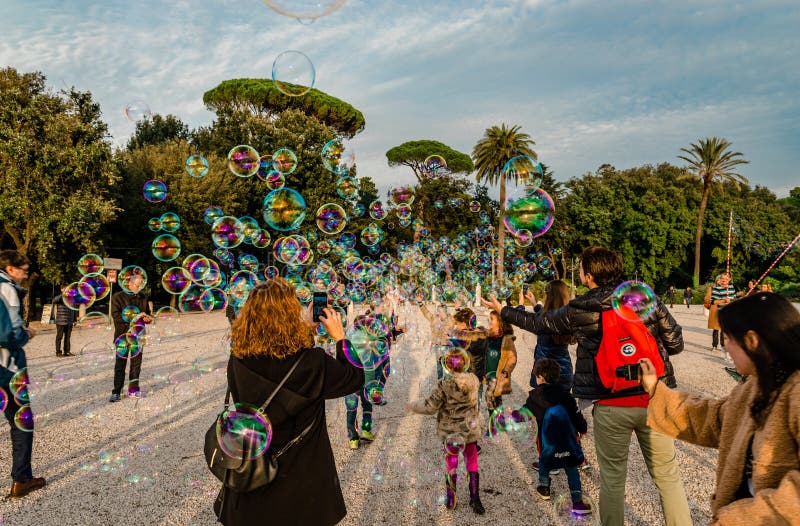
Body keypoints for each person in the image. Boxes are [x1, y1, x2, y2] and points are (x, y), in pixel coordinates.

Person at [483, 245, 691, 526]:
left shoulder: (581, 307)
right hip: (654, 397)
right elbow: (676, 344)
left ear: (589, 276)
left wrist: (504, 311)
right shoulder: (642, 297)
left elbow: (541, 323)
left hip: (609, 402)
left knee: (614, 478)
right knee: (667, 476)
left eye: (581, 269)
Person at [639, 292, 800, 524]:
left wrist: (742, 516)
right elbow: (712, 419)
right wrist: (655, 389)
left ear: (752, 340)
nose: (725, 347)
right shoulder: (754, 386)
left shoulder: (795, 391)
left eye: (727, 338)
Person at [216, 278, 364, 526]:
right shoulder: (313, 362)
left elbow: (276, 362)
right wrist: (340, 338)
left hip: (252, 476)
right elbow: (354, 377)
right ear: (290, 315)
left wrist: (306, 329)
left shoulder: (238, 358)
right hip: (302, 488)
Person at [406, 357, 485, 515]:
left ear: (448, 369)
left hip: (451, 433)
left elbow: (430, 407)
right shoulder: (474, 381)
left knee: (451, 463)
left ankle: (451, 497)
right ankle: (475, 498)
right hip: (469, 431)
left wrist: (413, 406)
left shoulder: (444, 385)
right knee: (472, 462)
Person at [0, 250, 45, 498]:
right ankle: (22, 479)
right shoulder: (6, 289)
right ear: (10, 270)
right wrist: (25, 334)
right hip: (7, 369)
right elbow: (6, 335)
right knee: (21, 423)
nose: (26, 275)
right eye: (24, 271)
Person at [523, 358, 591, 514]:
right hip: (568, 440)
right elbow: (576, 415)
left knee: (545, 462)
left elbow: (524, 414)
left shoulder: (534, 397)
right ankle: (578, 502)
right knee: (571, 468)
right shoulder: (566, 395)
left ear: (540, 377)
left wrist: (511, 415)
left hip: (546, 441)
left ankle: (544, 488)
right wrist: (583, 429)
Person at [109, 271, 152, 402]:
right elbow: (116, 316)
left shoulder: (143, 297)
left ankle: (133, 390)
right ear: (129, 284)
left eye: (140, 285)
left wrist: (147, 318)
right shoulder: (117, 297)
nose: (139, 288)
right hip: (122, 335)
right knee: (120, 364)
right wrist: (134, 317)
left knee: (136, 365)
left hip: (138, 335)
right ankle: (117, 391)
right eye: (137, 285)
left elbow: (148, 315)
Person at [528, 281, 575, 390]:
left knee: (542, 405)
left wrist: (521, 304)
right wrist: (535, 305)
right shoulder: (568, 317)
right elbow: (546, 315)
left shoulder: (544, 320)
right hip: (564, 372)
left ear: (549, 297)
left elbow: (541, 318)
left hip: (544, 373)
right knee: (562, 406)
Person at [484, 310, 517, 422]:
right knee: (497, 397)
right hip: (488, 374)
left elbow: (512, 357)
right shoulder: (487, 336)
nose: (489, 321)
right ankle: (500, 420)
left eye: (492, 319)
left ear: (500, 321)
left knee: (488, 395)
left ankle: (492, 422)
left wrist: (506, 370)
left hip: (498, 375)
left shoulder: (506, 339)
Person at [706, 273, 736, 359]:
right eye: (722, 279)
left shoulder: (732, 288)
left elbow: (733, 299)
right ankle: (720, 348)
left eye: (725, 279)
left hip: (730, 312)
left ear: (729, 279)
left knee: (727, 332)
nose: (723, 280)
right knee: (719, 330)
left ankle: (727, 349)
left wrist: (732, 300)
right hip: (720, 312)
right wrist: (723, 300)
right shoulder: (716, 289)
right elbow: (713, 302)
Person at [419, 302, 452, 379]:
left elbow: (456, 325)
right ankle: (440, 382)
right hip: (437, 345)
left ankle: (448, 382)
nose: (438, 312)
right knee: (439, 364)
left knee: (448, 366)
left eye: (440, 311)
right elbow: (426, 313)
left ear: (445, 311)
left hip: (447, 345)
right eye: (438, 310)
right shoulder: (434, 318)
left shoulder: (450, 319)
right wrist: (420, 303)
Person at [52, 284, 77, 357]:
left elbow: (74, 309)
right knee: (59, 337)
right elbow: (54, 300)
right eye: (66, 289)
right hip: (61, 321)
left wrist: (75, 320)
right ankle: (58, 352)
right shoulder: (60, 298)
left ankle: (67, 351)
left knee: (68, 337)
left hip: (69, 321)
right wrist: (63, 295)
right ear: (62, 289)